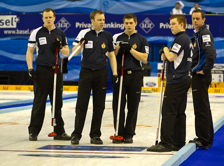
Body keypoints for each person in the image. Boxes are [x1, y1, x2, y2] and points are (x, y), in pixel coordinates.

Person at [71, 10, 118, 145]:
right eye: (99, 20)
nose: (102, 22)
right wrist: (80, 44)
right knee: (81, 105)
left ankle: (95, 135)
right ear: (92, 21)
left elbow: (112, 55)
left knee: (99, 105)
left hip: (101, 73)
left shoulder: (108, 36)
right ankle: (76, 134)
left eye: (103, 20)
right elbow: (74, 53)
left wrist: (114, 73)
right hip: (86, 72)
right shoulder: (83, 33)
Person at [147, 14, 192, 152]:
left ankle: (165, 143)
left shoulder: (180, 38)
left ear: (181, 25)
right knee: (179, 112)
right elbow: (169, 57)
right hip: (183, 78)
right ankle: (178, 142)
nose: (171, 26)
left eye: (173, 24)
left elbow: (171, 56)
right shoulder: (187, 39)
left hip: (177, 80)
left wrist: (165, 48)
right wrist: (165, 53)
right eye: (170, 24)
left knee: (168, 111)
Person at [26, 8, 71, 141]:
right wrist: (30, 69)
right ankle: (33, 131)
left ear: (54, 18)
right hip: (42, 71)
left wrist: (61, 47)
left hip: (57, 70)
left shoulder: (60, 33)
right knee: (39, 102)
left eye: (50, 17)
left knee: (57, 102)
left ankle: (59, 131)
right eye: (46, 17)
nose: (48, 19)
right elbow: (30, 52)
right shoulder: (36, 33)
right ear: (43, 18)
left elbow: (66, 53)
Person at [112, 13, 149, 143]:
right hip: (120, 75)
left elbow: (144, 58)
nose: (128, 25)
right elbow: (111, 55)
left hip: (135, 75)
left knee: (133, 106)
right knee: (118, 105)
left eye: (131, 23)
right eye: (126, 23)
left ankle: (129, 134)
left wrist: (130, 50)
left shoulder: (141, 39)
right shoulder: (117, 37)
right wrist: (118, 48)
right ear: (124, 24)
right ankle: (119, 132)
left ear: (135, 23)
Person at [189, 9, 217, 149]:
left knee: (201, 108)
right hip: (199, 75)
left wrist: (205, 70)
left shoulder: (204, 34)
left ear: (203, 19)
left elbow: (211, 54)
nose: (195, 21)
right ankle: (206, 137)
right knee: (203, 107)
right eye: (193, 18)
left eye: (198, 18)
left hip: (201, 76)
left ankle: (204, 139)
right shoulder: (198, 34)